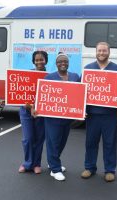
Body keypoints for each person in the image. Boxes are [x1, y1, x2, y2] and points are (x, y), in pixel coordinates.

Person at [81, 42, 117, 182]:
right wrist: (82, 110)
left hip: (109, 115)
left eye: (104, 50)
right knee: (90, 142)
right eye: (99, 50)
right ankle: (89, 167)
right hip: (92, 114)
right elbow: (82, 92)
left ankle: (110, 170)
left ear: (109, 52)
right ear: (96, 51)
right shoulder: (88, 69)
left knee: (110, 142)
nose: (102, 53)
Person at [42, 53, 80, 181]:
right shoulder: (49, 77)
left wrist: (80, 111)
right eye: (60, 62)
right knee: (53, 142)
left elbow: (79, 95)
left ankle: (53, 162)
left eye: (65, 61)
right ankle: (55, 169)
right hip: (52, 117)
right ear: (56, 64)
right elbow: (43, 96)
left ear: (68, 63)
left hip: (67, 117)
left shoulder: (75, 76)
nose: (62, 63)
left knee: (62, 141)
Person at [18, 50, 48, 174]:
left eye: (41, 59)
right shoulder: (27, 74)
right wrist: (30, 107)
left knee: (39, 139)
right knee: (28, 138)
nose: (39, 62)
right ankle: (27, 163)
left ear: (46, 60)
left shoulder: (49, 76)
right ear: (33, 61)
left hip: (41, 112)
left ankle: (36, 164)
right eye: (37, 60)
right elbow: (20, 93)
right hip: (26, 110)